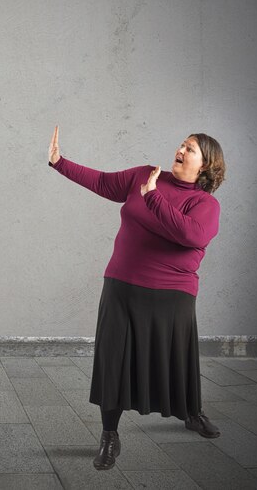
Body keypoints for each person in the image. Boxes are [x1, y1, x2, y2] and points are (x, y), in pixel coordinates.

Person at [48, 126, 225, 470]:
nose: (180, 149)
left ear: (205, 165)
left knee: (177, 358)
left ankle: (191, 412)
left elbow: (190, 235)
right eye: (182, 144)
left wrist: (153, 196)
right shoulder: (146, 176)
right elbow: (102, 182)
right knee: (113, 360)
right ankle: (109, 436)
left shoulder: (205, 204)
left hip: (172, 295)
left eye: (190, 149)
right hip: (122, 285)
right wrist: (58, 162)